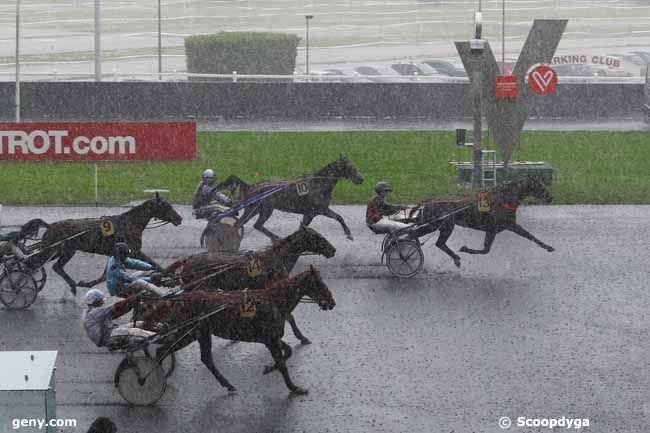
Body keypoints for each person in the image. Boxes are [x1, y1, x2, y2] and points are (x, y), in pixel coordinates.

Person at [82, 288, 155, 348]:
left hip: (110, 333)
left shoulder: (92, 313)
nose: (103, 302)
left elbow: (117, 313)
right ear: (96, 301)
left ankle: (159, 328)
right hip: (108, 336)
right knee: (136, 331)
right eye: (101, 300)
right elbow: (115, 308)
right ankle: (157, 337)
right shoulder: (94, 312)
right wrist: (131, 299)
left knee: (140, 323)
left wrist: (130, 304)